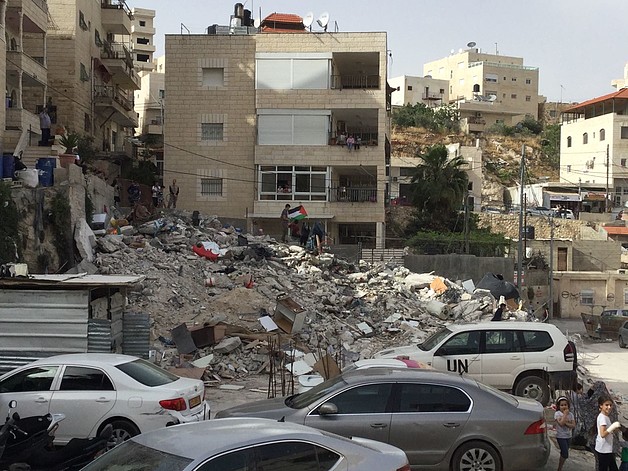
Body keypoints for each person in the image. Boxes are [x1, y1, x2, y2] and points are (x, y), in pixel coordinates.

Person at [596, 395, 621, 471]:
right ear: (601, 406)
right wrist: (612, 427)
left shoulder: (605, 417)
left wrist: (615, 429)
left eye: (610, 405)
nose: (609, 407)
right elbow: (602, 434)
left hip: (606, 448)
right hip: (604, 449)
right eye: (606, 405)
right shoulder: (603, 418)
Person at [554, 396, 576, 471]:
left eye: (565, 405)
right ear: (559, 406)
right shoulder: (557, 414)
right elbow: (561, 423)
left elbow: (573, 425)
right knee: (565, 453)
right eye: (562, 405)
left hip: (568, 436)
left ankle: (560, 467)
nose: (564, 407)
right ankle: (559, 468)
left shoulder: (571, 415)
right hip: (561, 436)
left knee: (564, 453)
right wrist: (565, 415)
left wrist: (566, 422)